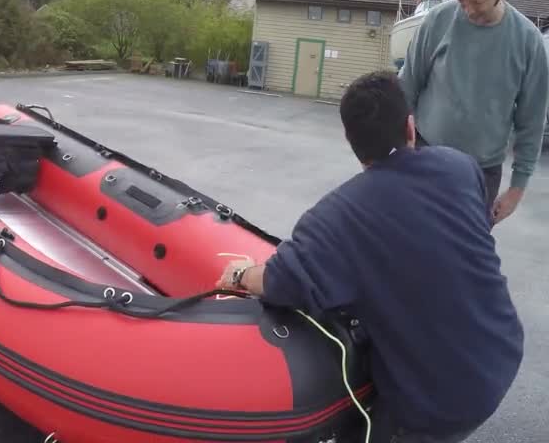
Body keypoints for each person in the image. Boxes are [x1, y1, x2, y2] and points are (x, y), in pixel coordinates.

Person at [218, 71, 523, 443]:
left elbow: (280, 281)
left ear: (351, 140)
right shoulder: (460, 167)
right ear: (411, 126)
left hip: (437, 404)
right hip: (502, 353)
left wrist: (239, 276)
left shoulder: (336, 219)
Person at [398, 0, 549, 225]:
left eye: (476, 1)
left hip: (481, 173)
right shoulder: (438, 20)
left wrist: (516, 191)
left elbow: (531, 122)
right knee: (410, 243)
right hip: (424, 155)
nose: (467, 10)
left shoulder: (528, 42)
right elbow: (407, 85)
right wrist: (398, 148)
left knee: (463, 258)